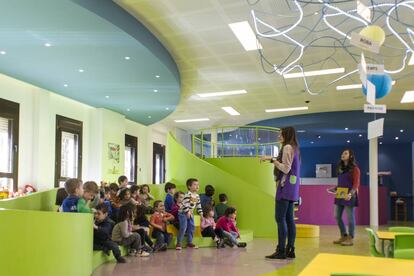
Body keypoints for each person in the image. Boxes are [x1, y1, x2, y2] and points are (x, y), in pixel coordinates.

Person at [261, 127, 301, 260]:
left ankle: (281, 250)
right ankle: (290, 249)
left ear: (286, 134)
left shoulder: (288, 147)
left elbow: (285, 168)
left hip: (285, 187)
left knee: (280, 218)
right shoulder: (295, 148)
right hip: (293, 188)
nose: (279, 136)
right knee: (289, 219)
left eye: (281, 134)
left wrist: (272, 160)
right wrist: (272, 158)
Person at [328, 149, 360, 246]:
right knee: (336, 216)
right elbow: (341, 183)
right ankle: (343, 235)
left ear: (350, 156)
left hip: (349, 195)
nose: (343, 154)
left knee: (350, 217)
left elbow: (356, 183)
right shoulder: (340, 169)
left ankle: (350, 238)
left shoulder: (355, 169)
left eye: (345, 153)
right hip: (340, 194)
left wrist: (351, 194)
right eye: (342, 153)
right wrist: (335, 189)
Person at [176, 178, 203, 250]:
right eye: (195, 184)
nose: (197, 186)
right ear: (189, 186)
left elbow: (199, 205)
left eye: (198, 185)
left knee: (192, 227)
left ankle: (189, 242)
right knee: (183, 227)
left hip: (190, 213)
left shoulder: (197, 196)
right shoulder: (187, 195)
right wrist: (187, 211)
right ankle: (179, 243)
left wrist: (201, 214)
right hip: (183, 213)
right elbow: (184, 204)